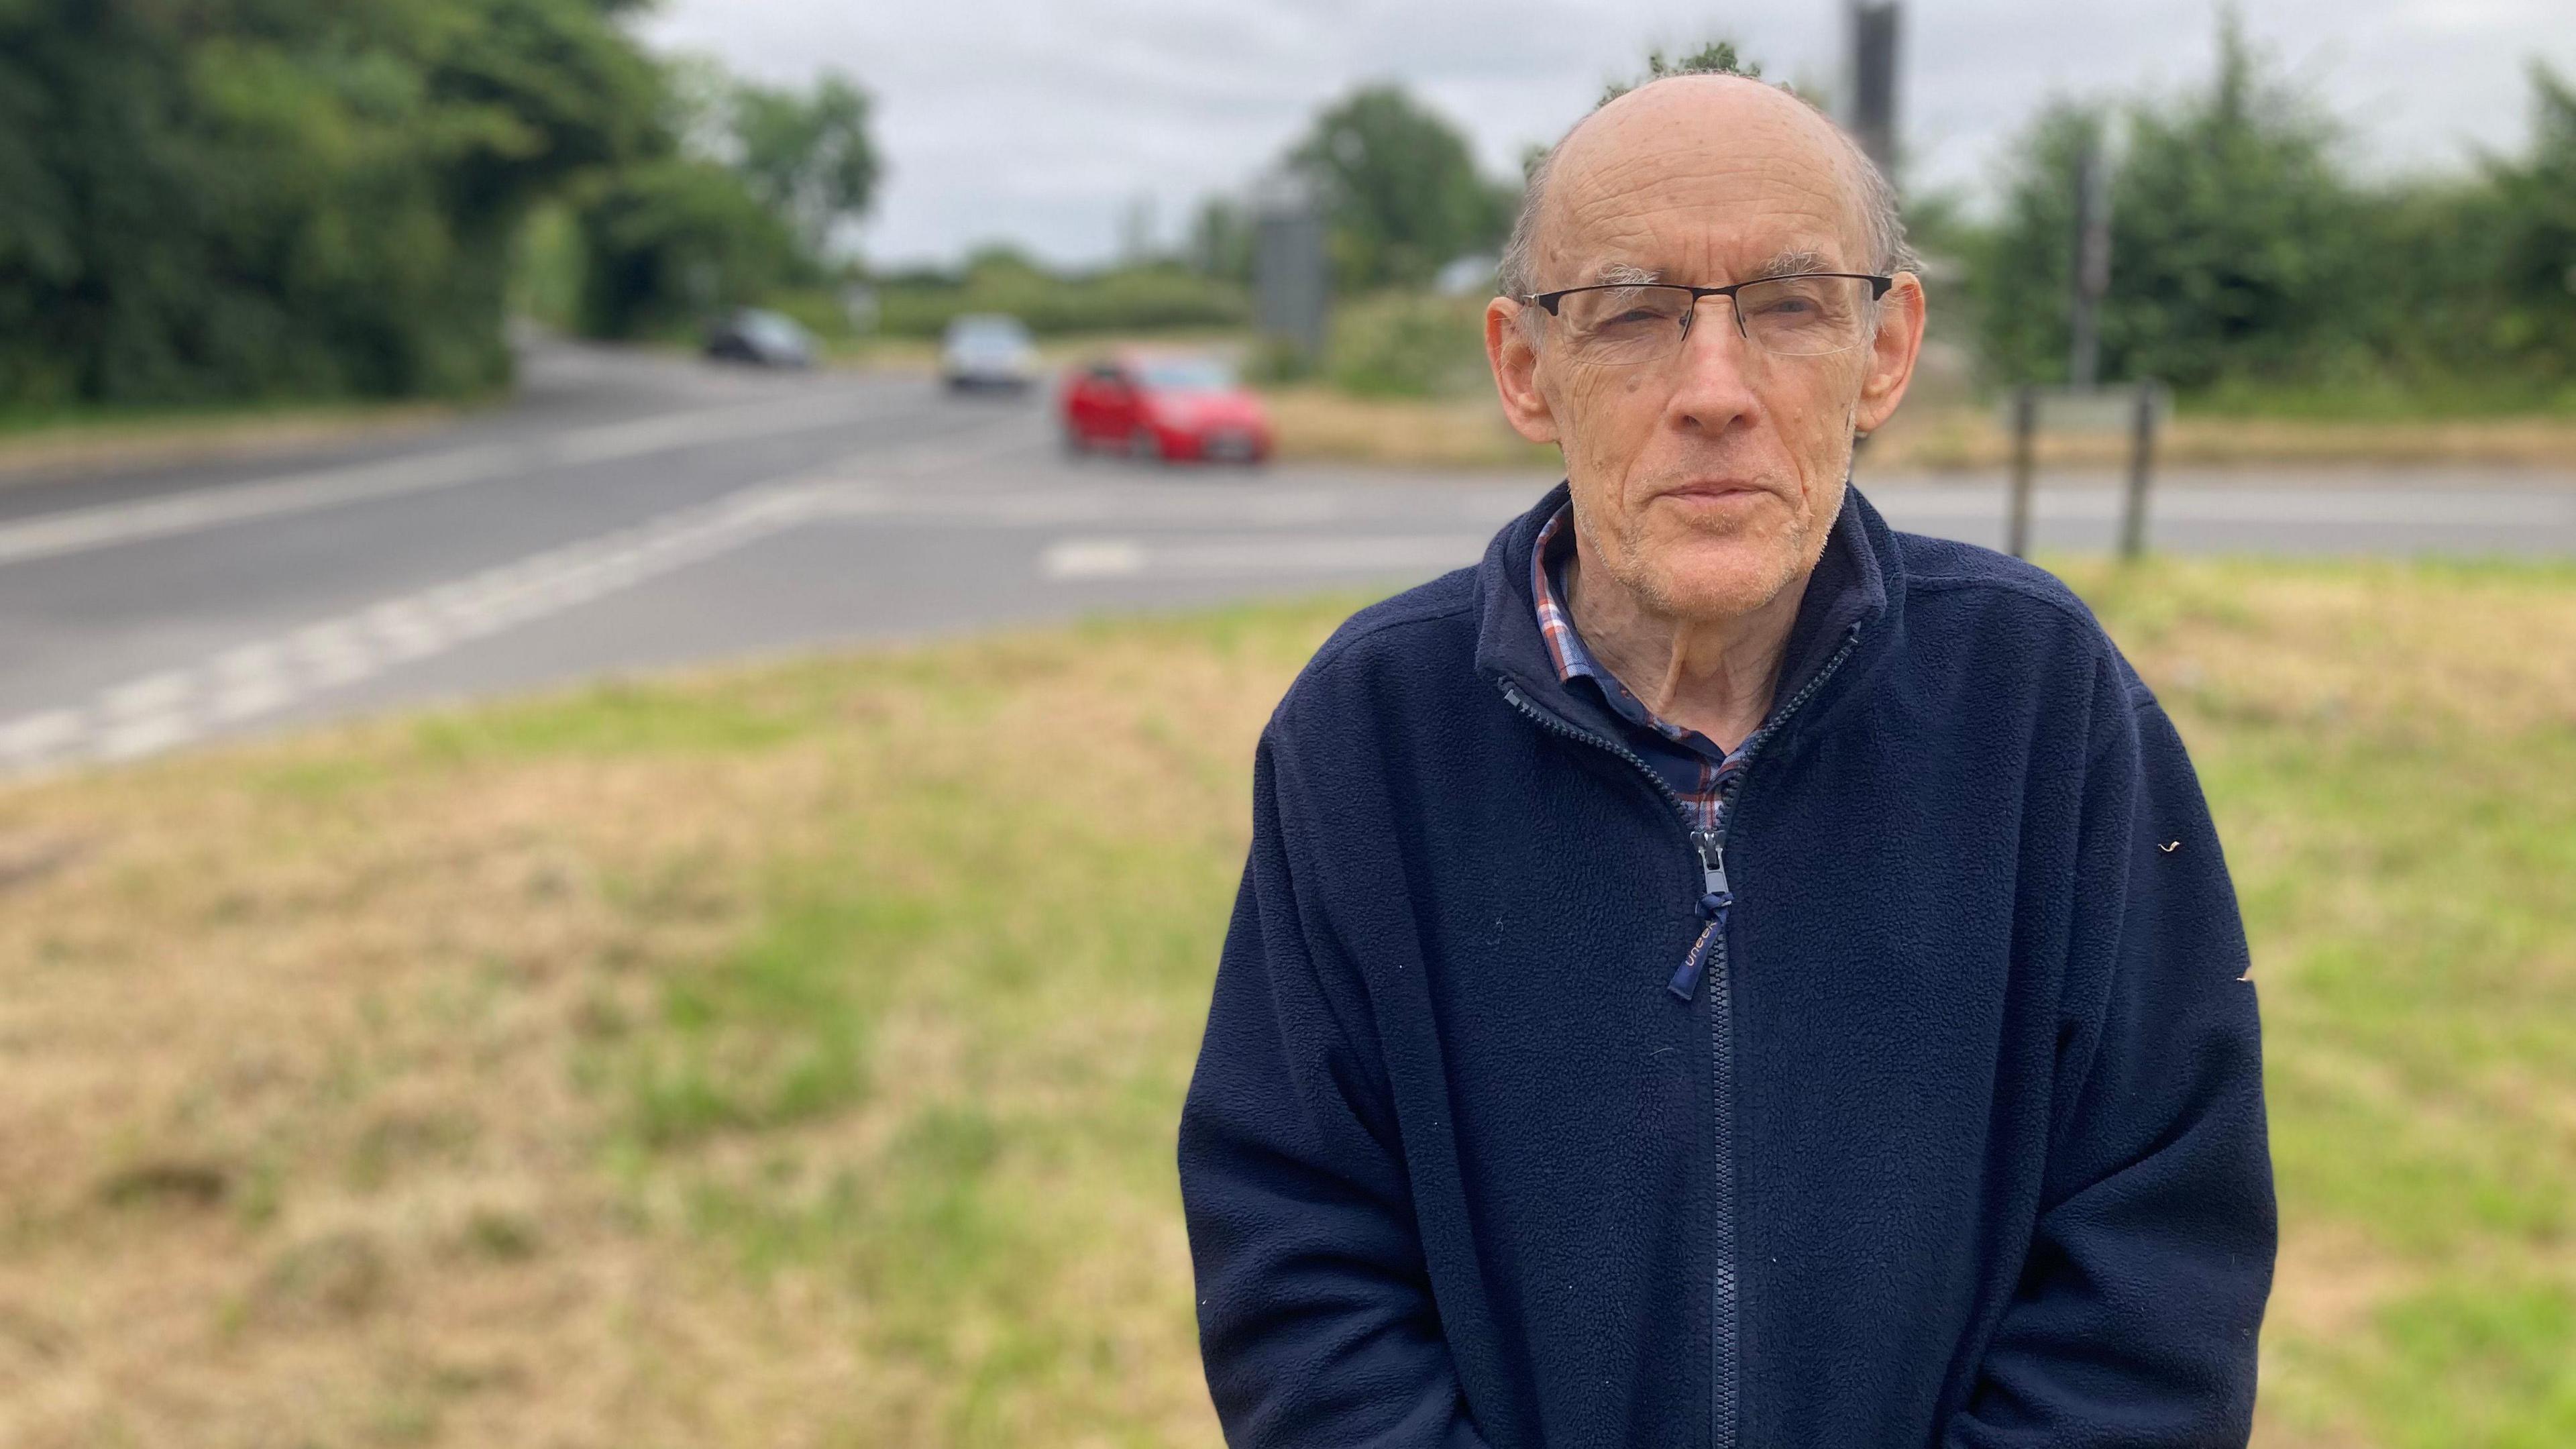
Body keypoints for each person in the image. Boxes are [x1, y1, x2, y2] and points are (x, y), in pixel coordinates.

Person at [1177, 70, 2274, 1448]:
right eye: (1631, 315)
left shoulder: (2044, 703)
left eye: (1791, 307)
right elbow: (1302, 1270)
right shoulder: (1367, 735)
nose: (1716, 392)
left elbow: (2155, 1267)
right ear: (1526, 368)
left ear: (1886, 351)